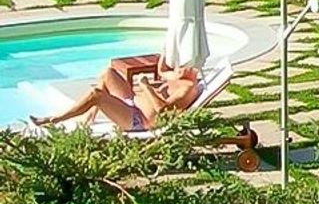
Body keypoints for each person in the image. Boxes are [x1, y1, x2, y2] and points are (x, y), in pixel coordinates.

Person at [30, 54, 202, 133]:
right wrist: (168, 47)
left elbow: (163, 112)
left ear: (193, 68)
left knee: (96, 94)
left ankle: (54, 119)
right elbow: (162, 69)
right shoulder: (179, 77)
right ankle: (89, 117)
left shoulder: (187, 88)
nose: (178, 67)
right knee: (108, 74)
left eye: (183, 64)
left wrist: (146, 86)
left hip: (137, 119)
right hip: (133, 103)